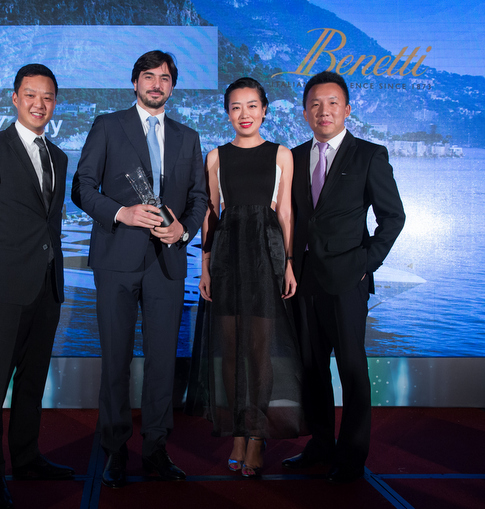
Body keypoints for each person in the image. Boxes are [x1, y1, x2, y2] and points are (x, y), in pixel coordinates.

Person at [71, 50, 207, 488]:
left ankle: (156, 448)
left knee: (163, 361)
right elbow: (82, 187)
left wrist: (184, 230)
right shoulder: (108, 126)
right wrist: (121, 213)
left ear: (173, 86)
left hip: (167, 262)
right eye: (148, 76)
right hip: (116, 259)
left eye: (164, 78)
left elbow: (199, 198)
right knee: (116, 359)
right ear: (135, 83)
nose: (156, 84)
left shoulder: (188, 137)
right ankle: (114, 449)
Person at [0, 63, 74, 509]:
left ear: (55, 103)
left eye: (47, 97)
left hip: (47, 285)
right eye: (30, 95)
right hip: (5, 286)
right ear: (15, 98)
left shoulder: (59, 156)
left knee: (32, 380)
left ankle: (26, 459)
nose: (39, 104)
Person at [282, 71, 405, 483]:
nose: (324, 111)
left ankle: (351, 458)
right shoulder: (294, 157)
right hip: (303, 280)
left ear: (347, 109)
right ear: (305, 112)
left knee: (352, 370)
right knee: (312, 368)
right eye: (315, 104)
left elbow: (393, 217)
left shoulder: (369, 155)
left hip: (348, 281)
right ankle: (320, 445)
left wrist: (366, 262)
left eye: (332, 103)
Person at [197, 77, 306, 478]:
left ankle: (257, 435)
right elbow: (210, 213)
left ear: (264, 110)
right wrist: (205, 266)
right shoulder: (215, 156)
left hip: (265, 256)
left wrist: (288, 262)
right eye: (236, 107)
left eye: (252, 106)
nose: (244, 114)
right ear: (227, 113)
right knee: (229, 351)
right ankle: (237, 432)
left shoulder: (281, 154)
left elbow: (286, 212)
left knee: (259, 351)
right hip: (227, 258)